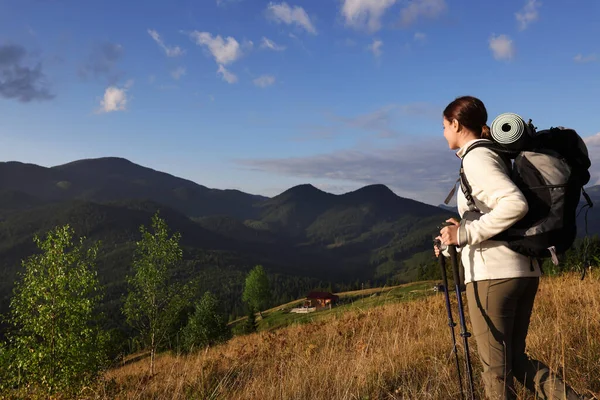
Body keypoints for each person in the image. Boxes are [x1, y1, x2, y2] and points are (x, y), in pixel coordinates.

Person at [434, 95, 591, 400]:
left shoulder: (476, 158)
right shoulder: (498, 155)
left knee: (495, 370)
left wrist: (464, 235)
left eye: (443, 126)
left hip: (493, 275)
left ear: (456, 124)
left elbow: (513, 204)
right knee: (516, 362)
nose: (442, 133)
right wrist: (461, 228)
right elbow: (494, 208)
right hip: (522, 269)